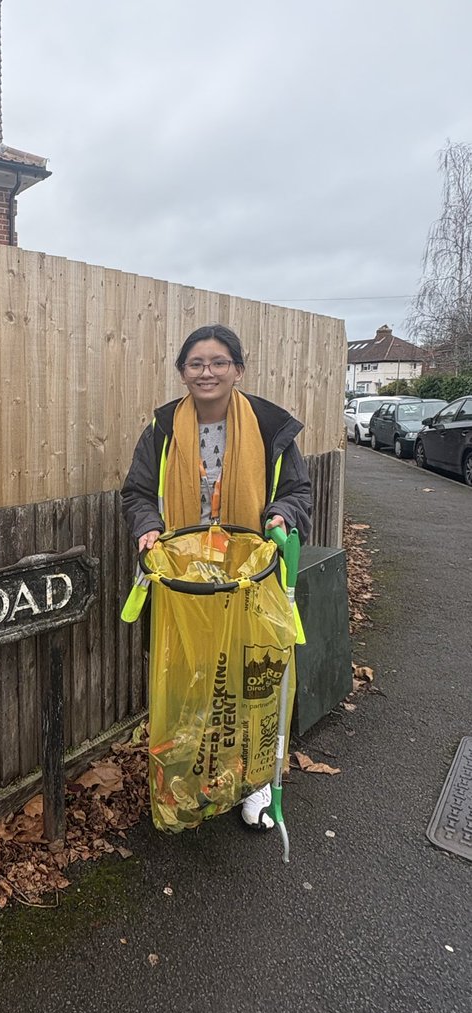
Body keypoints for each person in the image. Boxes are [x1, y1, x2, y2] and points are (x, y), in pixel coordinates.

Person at [121, 323, 312, 830]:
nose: (207, 372)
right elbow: (137, 493)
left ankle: (255, 780)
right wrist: (148, 528)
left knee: (251, 683)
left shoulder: (270, 427)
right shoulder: (163, 430)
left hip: (249, 578)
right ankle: (195, 773)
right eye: (196, 363)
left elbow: (298, 492)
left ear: (238, 370)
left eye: (218, 362)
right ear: (182, 372)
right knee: (192, 679)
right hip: (186, 581)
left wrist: (280, 516)